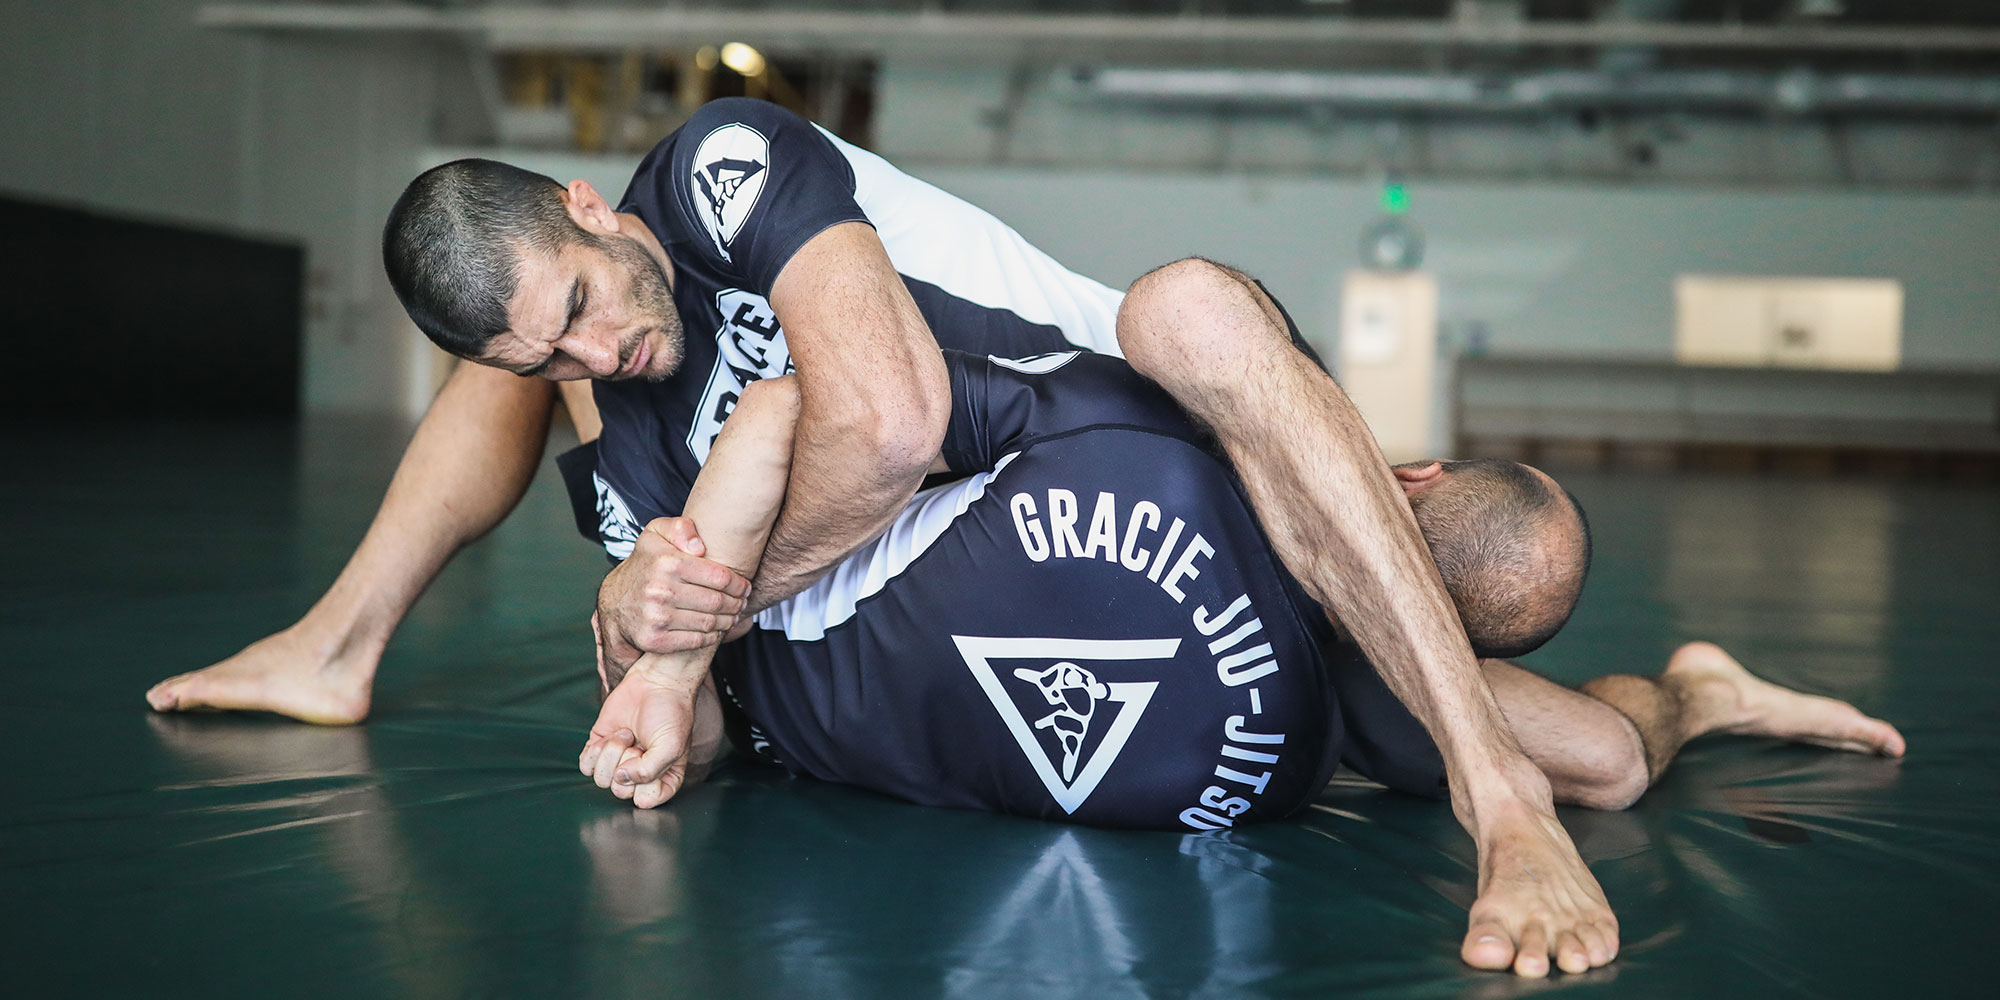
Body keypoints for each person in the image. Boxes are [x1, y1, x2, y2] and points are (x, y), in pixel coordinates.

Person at [142, 96, 1639, 975]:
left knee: (1189, 312)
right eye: (551, 356)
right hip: (972, 555)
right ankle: (337, 646)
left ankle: (1500, 801)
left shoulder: (716, 171)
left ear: (595, 208)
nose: (595, 355)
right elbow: (701, 636)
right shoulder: (612, 420)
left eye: (586, 304)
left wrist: (685, 622)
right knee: (1619, 754)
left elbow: (889, 421)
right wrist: (653, 636)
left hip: (1137, 434)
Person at [576, 349, 1905, 924]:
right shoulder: (1151, 431)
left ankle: (1705, 691)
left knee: (1609, 763)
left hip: (749, 722)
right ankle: (1698, 694)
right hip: (737, 632)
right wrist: (683, 656)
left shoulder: (1349, 703)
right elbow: (784, 414)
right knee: (640, 626)